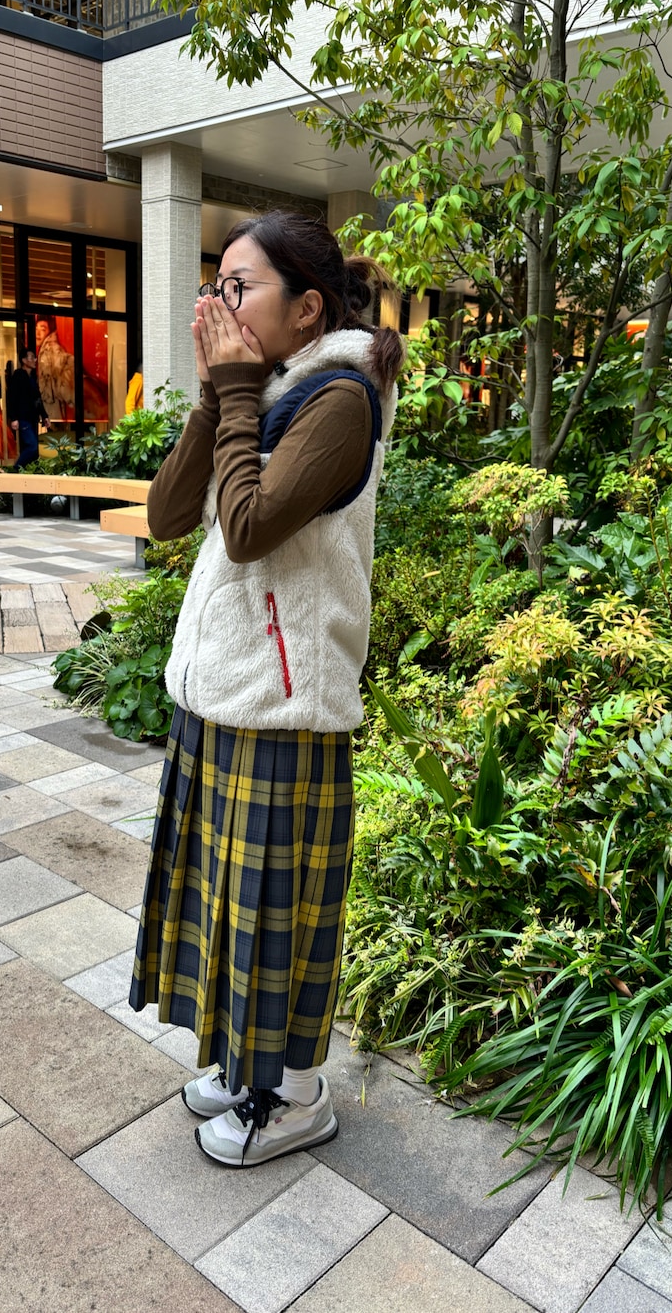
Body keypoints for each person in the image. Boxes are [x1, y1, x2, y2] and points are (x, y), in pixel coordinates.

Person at [128, 210, 404, 1168]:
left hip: (286, 705)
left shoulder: (341, 398)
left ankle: (295, 1096)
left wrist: (238, 390)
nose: (220, 303)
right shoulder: (272, 386)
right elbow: (169, 515)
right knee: (232, 906)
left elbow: (246, 530)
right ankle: (253, 1068)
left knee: (278, 916)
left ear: (308, 308)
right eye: (218, 285)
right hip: (228, 688)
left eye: (239, 287)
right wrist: (219, 397)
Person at [6, 345, 48, 470]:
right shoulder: (18, 376)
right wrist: (13, 418)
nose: (35, 360)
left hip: (32, 417)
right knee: (32, 446)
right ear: (24, 360)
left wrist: (44, 416)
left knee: (33, 448)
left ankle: (25, 472)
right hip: (23, 417)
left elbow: (38, 398)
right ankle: (16, 469)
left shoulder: (32, 377)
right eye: (32, 357)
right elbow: (12, 398)